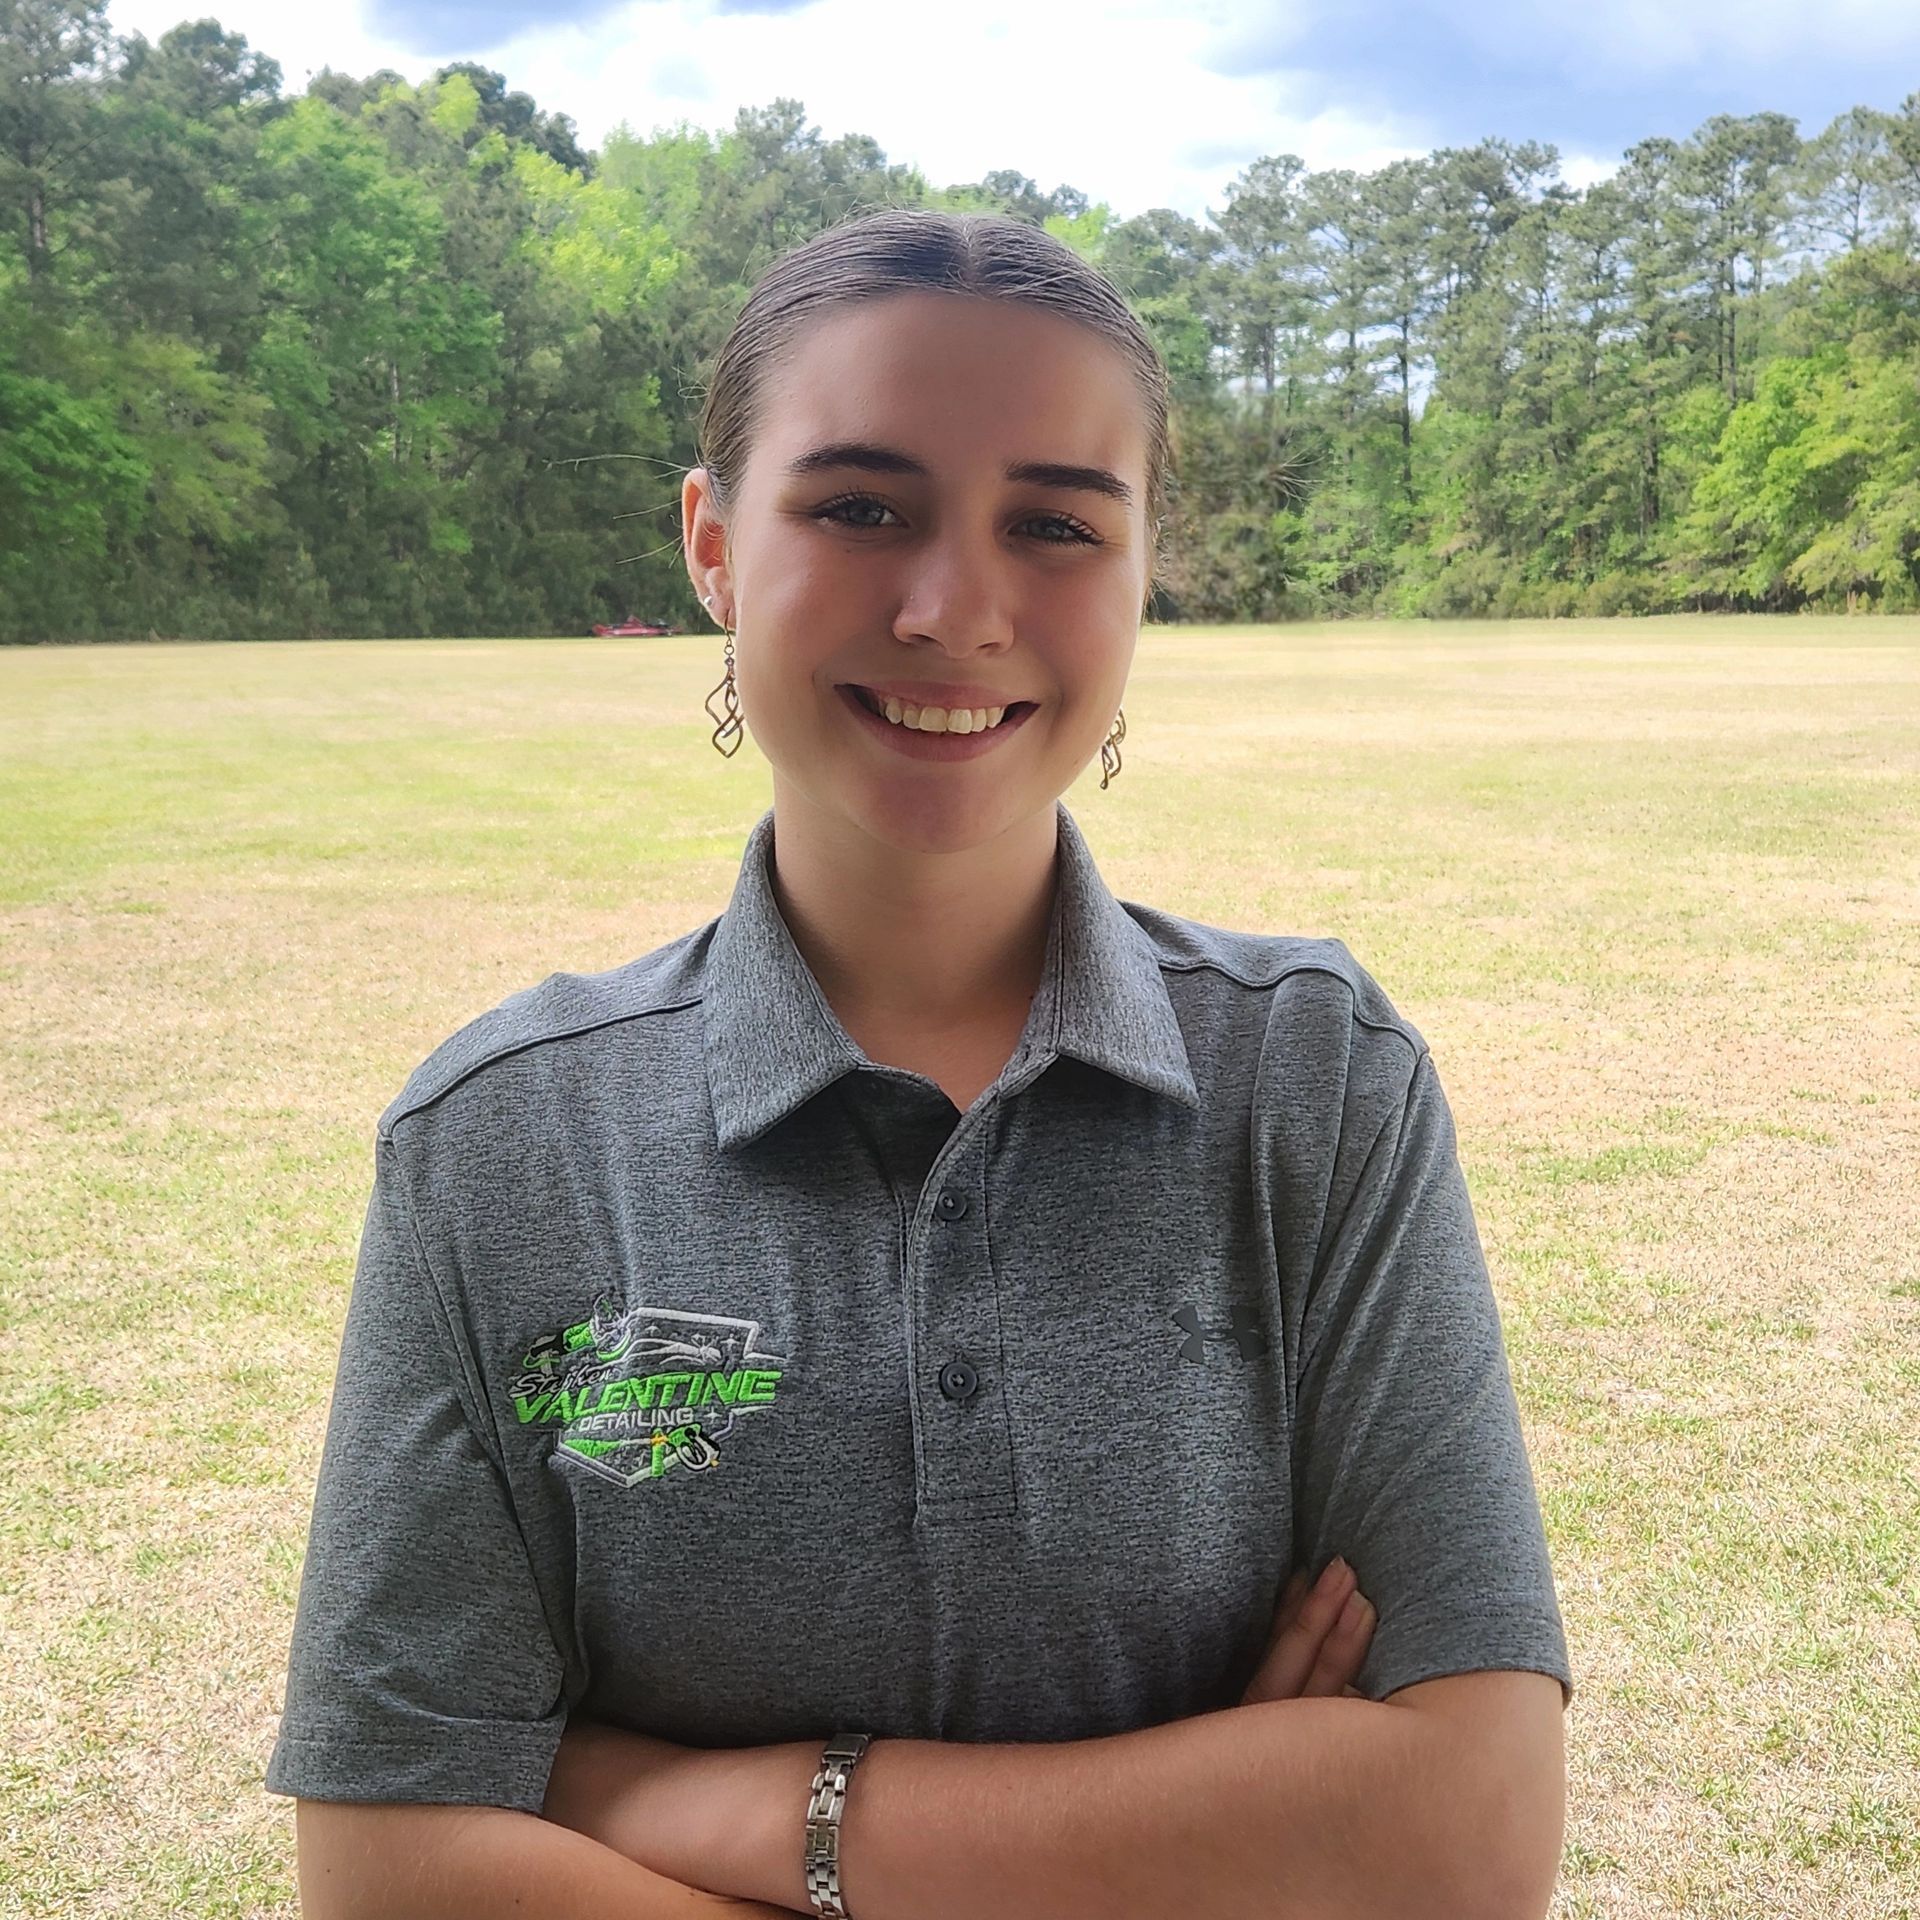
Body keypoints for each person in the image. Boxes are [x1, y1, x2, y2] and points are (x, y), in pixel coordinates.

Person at [265, 207, 1572, 1915]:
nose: (956, 608)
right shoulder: (500, 1138)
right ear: (714, 544)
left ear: (1143, 569)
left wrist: (723, 1809)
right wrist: (1222, 1839)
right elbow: (387, 1864)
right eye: (860, 508)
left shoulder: (1319, 1082)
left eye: (1054, 524)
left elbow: (1462, 1839)